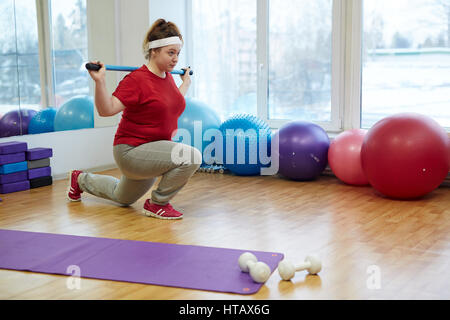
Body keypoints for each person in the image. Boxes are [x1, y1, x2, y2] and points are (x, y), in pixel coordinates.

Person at [67, 19, 201, 220]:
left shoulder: (168, 78)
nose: (175, 59)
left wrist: (186, 83)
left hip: (153, 151)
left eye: (178, 53)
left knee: (122, 197)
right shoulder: (136, 80)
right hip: (132, 151)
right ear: (154, 51)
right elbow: (106, 110)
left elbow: (171, 104)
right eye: (170, 53)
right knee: (191, 156)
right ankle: (157, 204)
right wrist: (100, 82)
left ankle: (80, 180)